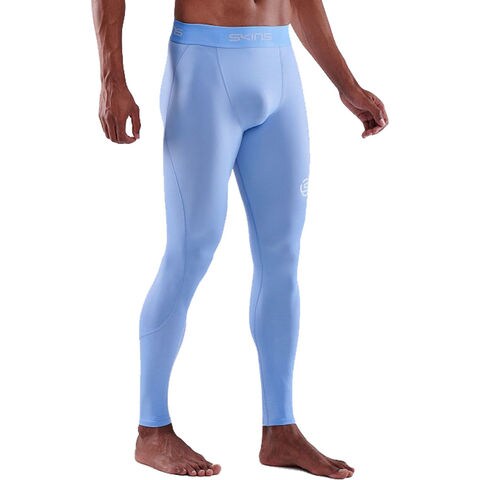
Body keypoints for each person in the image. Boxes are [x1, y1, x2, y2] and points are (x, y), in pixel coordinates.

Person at [92, 0, 388, 477]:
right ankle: (152, 430)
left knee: (282, 255)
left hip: (279, 67)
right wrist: (112, 77)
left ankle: (281, 430)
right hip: (204, 70)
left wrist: (346, 84)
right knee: (191, 250)